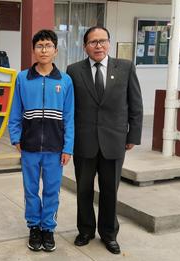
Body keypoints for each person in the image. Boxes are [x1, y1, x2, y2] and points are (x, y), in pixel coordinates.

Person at [66, 26, 143, 254]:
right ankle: (86, 230)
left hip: (114, 141)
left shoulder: (126, 67)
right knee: (84, 190)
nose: (98, 46)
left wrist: (133, 136)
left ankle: (109, 234)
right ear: (85, 46)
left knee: (110, 190)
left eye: (102, 41)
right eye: (93, 42)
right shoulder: (73, 70)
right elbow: (70, 109)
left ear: (109, 43)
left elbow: (136, 104)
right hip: (84, 141)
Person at [8, 29, 74, 252]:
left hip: (55, 148)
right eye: (39, 46)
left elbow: (69, 117)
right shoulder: (22, 78)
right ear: (33, 50)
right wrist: (16, 137)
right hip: (30, 146)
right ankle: (34, 227)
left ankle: (48, 229)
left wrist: (68, 147)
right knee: (31, 189)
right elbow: (15, 111)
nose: (44, 50)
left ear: (55, 50)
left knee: (52, 191)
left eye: (48, 46)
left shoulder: (65, 81)